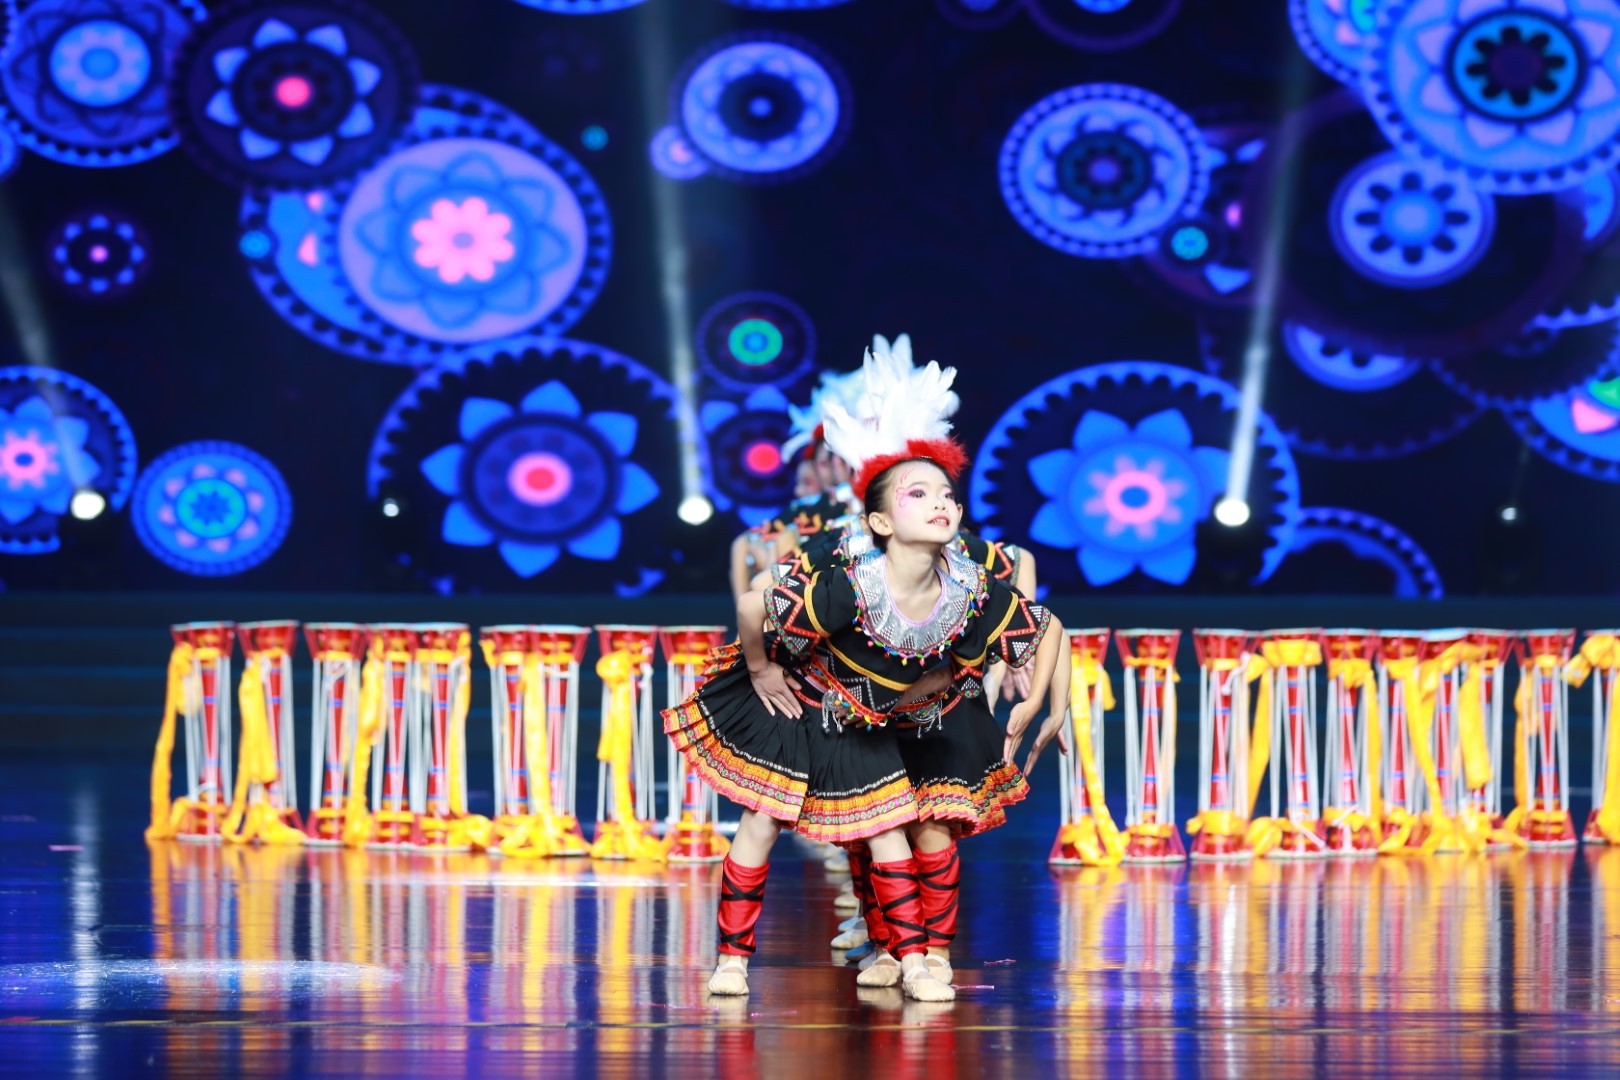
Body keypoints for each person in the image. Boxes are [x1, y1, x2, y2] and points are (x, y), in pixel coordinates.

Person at [664, 348, 1071, 1002]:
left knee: (902, 826)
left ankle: (916, 957)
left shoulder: (963, 569)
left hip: (894, 707)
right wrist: (762, 668)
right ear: (878, 512)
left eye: (945, 493)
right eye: (919, 492)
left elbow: (1033, 602)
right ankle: (744, 959)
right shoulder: (844, 566)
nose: (939, 502)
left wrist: (1032, 691)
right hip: (810, 701)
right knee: (773, 822)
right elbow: (754, 598)